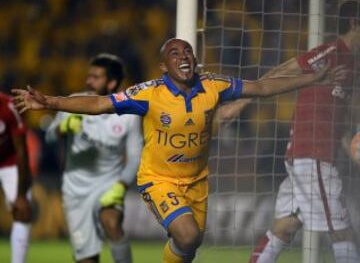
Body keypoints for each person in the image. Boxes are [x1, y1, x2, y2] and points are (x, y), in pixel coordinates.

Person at [12, 37, 346, 263]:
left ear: (195, 59)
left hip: (197, 182)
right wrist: (51, 102)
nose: (183, 57)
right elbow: (100, 102)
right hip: (159, 180)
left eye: (187, 52)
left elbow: (260, 87)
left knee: (190, 244)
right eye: (175, 54)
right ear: (163, 67)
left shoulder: (214, 86)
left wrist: (311, 80)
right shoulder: (149, 94)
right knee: (186, 235)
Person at [246, 0, 360, 263]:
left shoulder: (351, 66)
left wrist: (350, 149)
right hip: (312, 156)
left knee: (283, 228)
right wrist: (242, 102)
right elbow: (281, 71)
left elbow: (338, 123)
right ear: (354, 23)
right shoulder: (330, 52)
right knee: (342, 233)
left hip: (310, 156)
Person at [45, 54, 143, 263]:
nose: (88, 81)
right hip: (75, 190)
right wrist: (62, 128)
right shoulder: (75, 102)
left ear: (112, 83)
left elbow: (135, 156)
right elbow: (49, 136)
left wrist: (122, 185)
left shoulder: (129, 113)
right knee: (87, 259)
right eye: (89, 76)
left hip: (108, 184)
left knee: (112, 222)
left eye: (95, 77)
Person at [0, 92, 32, 263]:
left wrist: (21, 195)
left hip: (8, 162)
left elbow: (21, 150)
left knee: (23, 210)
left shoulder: (8, 106)